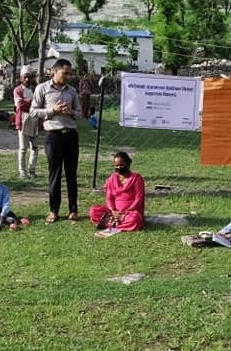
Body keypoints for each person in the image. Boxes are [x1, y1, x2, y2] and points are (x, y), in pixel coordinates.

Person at [31, 58, 82, 223]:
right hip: (53, 135)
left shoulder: (72, 91)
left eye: (70, 73)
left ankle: (73, 210)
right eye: (65, 72)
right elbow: (33, 111)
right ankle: (54, 210)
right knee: (55, 174)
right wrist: (52, 110)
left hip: (71, 135)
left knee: (71, 174)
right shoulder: (42, 88)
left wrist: (71, 112)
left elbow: (81, 114)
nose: (68, 76)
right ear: (55, 71)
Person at [89, 151, 145, 232]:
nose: (119, 168)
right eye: (116, 166)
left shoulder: (136, 178)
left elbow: (138, 198)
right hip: (113, 213)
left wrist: (125, 212)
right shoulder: (112, 178)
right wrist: (113, 211)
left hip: (129, 213)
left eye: (122, 165)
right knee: (93, 211)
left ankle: (111, 224)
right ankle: (115, 222)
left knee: (136, 218)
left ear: (128, 164)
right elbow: (109, 198)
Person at [13, 66, 39, 178]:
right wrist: (33, 104)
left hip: (34, 121)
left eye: (29, 77)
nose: (27, 79)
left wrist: (30, 103)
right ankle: (22, 171)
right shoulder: (17, 90)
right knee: (23, 148)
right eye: (25, 77)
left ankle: (32, 170)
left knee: (35, 148)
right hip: (23, 121)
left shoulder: (35, 89)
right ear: (21, 78)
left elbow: (40, 104)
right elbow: (20, 105)